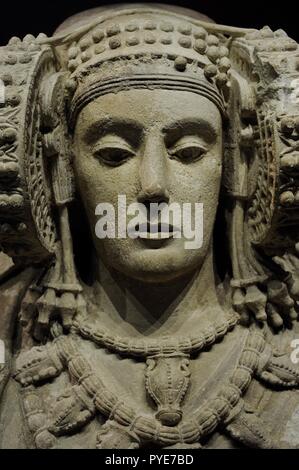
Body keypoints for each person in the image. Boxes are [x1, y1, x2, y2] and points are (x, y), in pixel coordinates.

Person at [1, 4, 299, 449]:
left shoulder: (287, 320)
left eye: (191, 151)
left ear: (237, 161)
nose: (153, 187)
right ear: (59, 167)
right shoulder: (12, 324)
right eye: (114, 154)